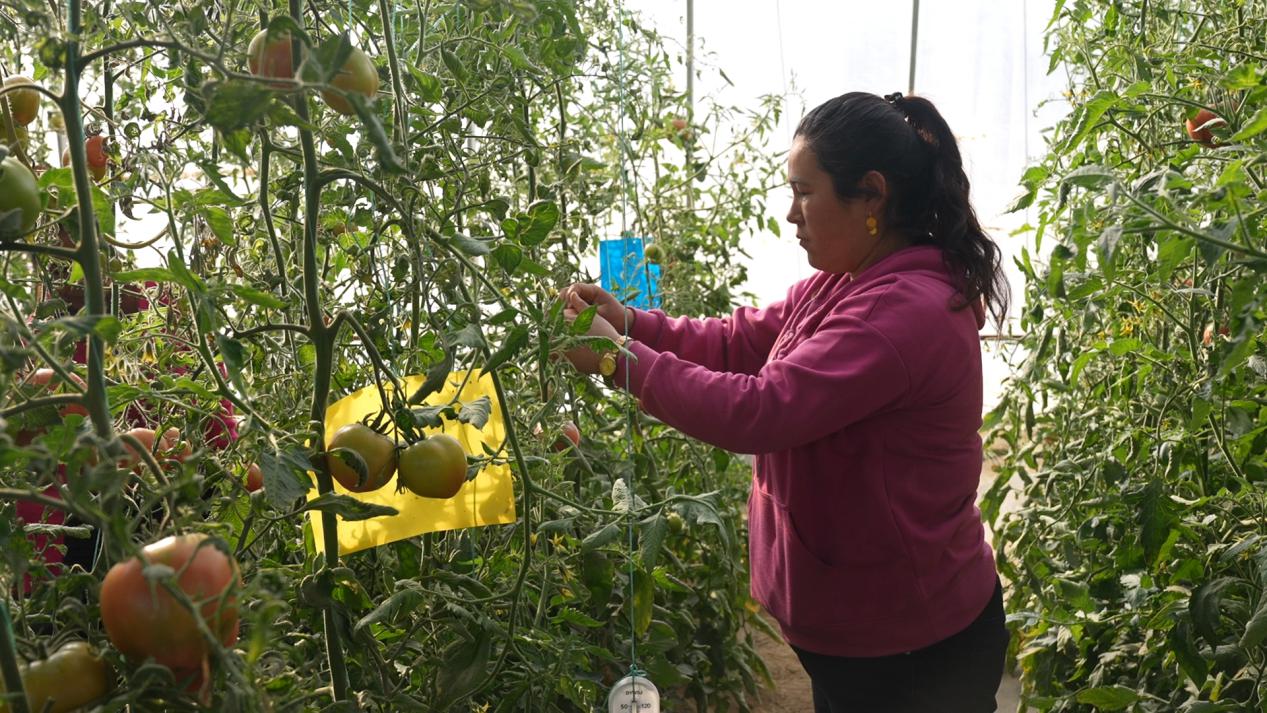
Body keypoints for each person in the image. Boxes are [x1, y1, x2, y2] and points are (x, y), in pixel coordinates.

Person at [561, 91, 1010, 712]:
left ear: (872, 196)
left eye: (804, 191)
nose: (792, 214)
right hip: (861, 632)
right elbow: (740, 339)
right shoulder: (844, 280)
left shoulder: (903, 314)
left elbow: (762, 411)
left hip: (910, 649)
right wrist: (635, 325)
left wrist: (618, 360)